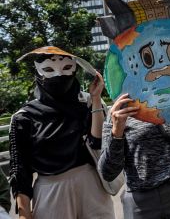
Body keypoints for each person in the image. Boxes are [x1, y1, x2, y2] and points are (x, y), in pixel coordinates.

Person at [9, 47, 114, 219]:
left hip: (91, 185)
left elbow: (99, 143)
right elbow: (20, 171)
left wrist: (95, 100)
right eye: (49, 69)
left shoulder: (88, 102)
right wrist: (24, 213)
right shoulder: (24, 117)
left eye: (66, 68)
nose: (59, 75)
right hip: (50, 190)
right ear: (37, 72)